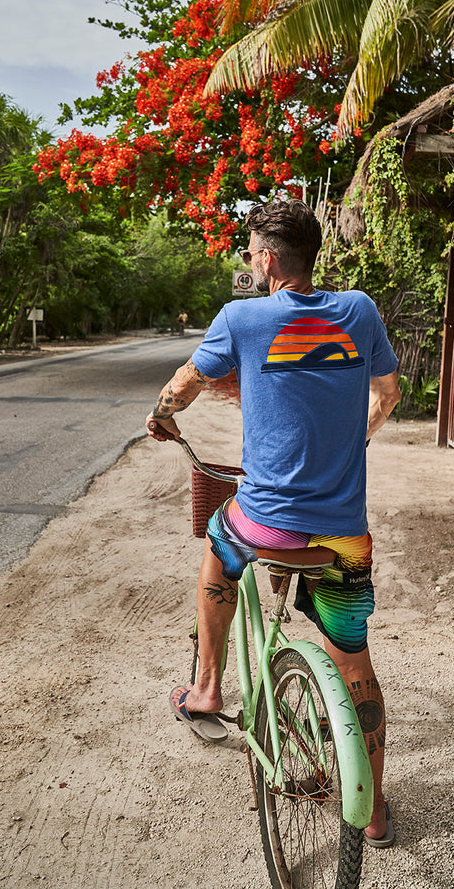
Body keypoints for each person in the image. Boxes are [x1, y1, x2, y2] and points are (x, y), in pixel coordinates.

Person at [146, 198, 401, 847]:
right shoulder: (359, 310)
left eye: (251, 255)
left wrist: (162, 417)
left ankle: (205, 690)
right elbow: (388, 394)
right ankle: (371, 811)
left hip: (266, 525)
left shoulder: (241, 317)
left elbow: (184, 384)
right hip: (341, 534)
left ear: (265, 259)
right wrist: (358, 439)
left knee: (217, 547)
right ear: (312, 255)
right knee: (353, 659)